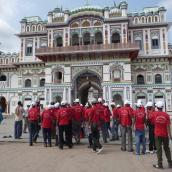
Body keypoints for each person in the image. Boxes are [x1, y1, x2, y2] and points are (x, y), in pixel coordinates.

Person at [152, 101, 172, 169]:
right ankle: (170, 163)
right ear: (162, 107)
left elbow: (151, 121)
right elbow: (168, 126)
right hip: (165, 134)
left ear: (157, 107)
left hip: (157, 134)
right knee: (167, 149)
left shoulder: (154, 114)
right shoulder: (166, 115)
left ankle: (160, 164)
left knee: (159, 149)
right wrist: (170, 135)